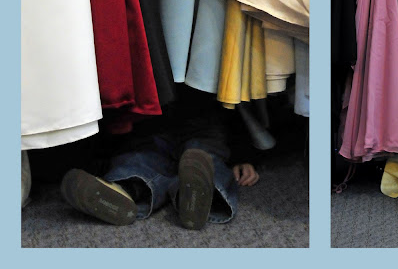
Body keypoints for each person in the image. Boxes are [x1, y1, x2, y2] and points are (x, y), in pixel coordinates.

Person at [60, 87, 260, 230]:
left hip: (185, 123)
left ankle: (130, 188)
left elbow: (239, 95)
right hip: (163, 124)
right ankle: (123, 192)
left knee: (196, 158)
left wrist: (243, 154)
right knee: (146, 157)